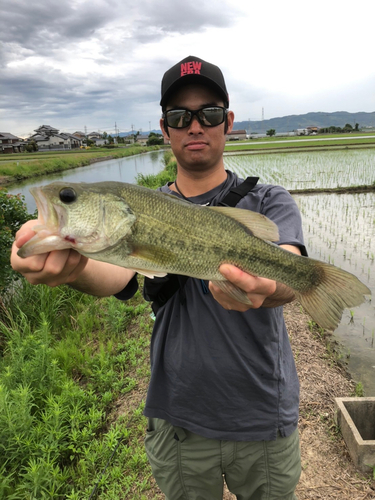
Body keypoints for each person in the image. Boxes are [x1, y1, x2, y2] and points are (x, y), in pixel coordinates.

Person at [11, 55, 306, 499]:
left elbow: (287, 263)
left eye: (208, 113)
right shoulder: (138, 210)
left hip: (263, 415)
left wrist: (273, 287)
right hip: (178, 420)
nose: (194, 125)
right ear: (165, 128)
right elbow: (117, 274)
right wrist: (73, 268)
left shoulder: (268, 200)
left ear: (226, 122)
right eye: (178, 116)